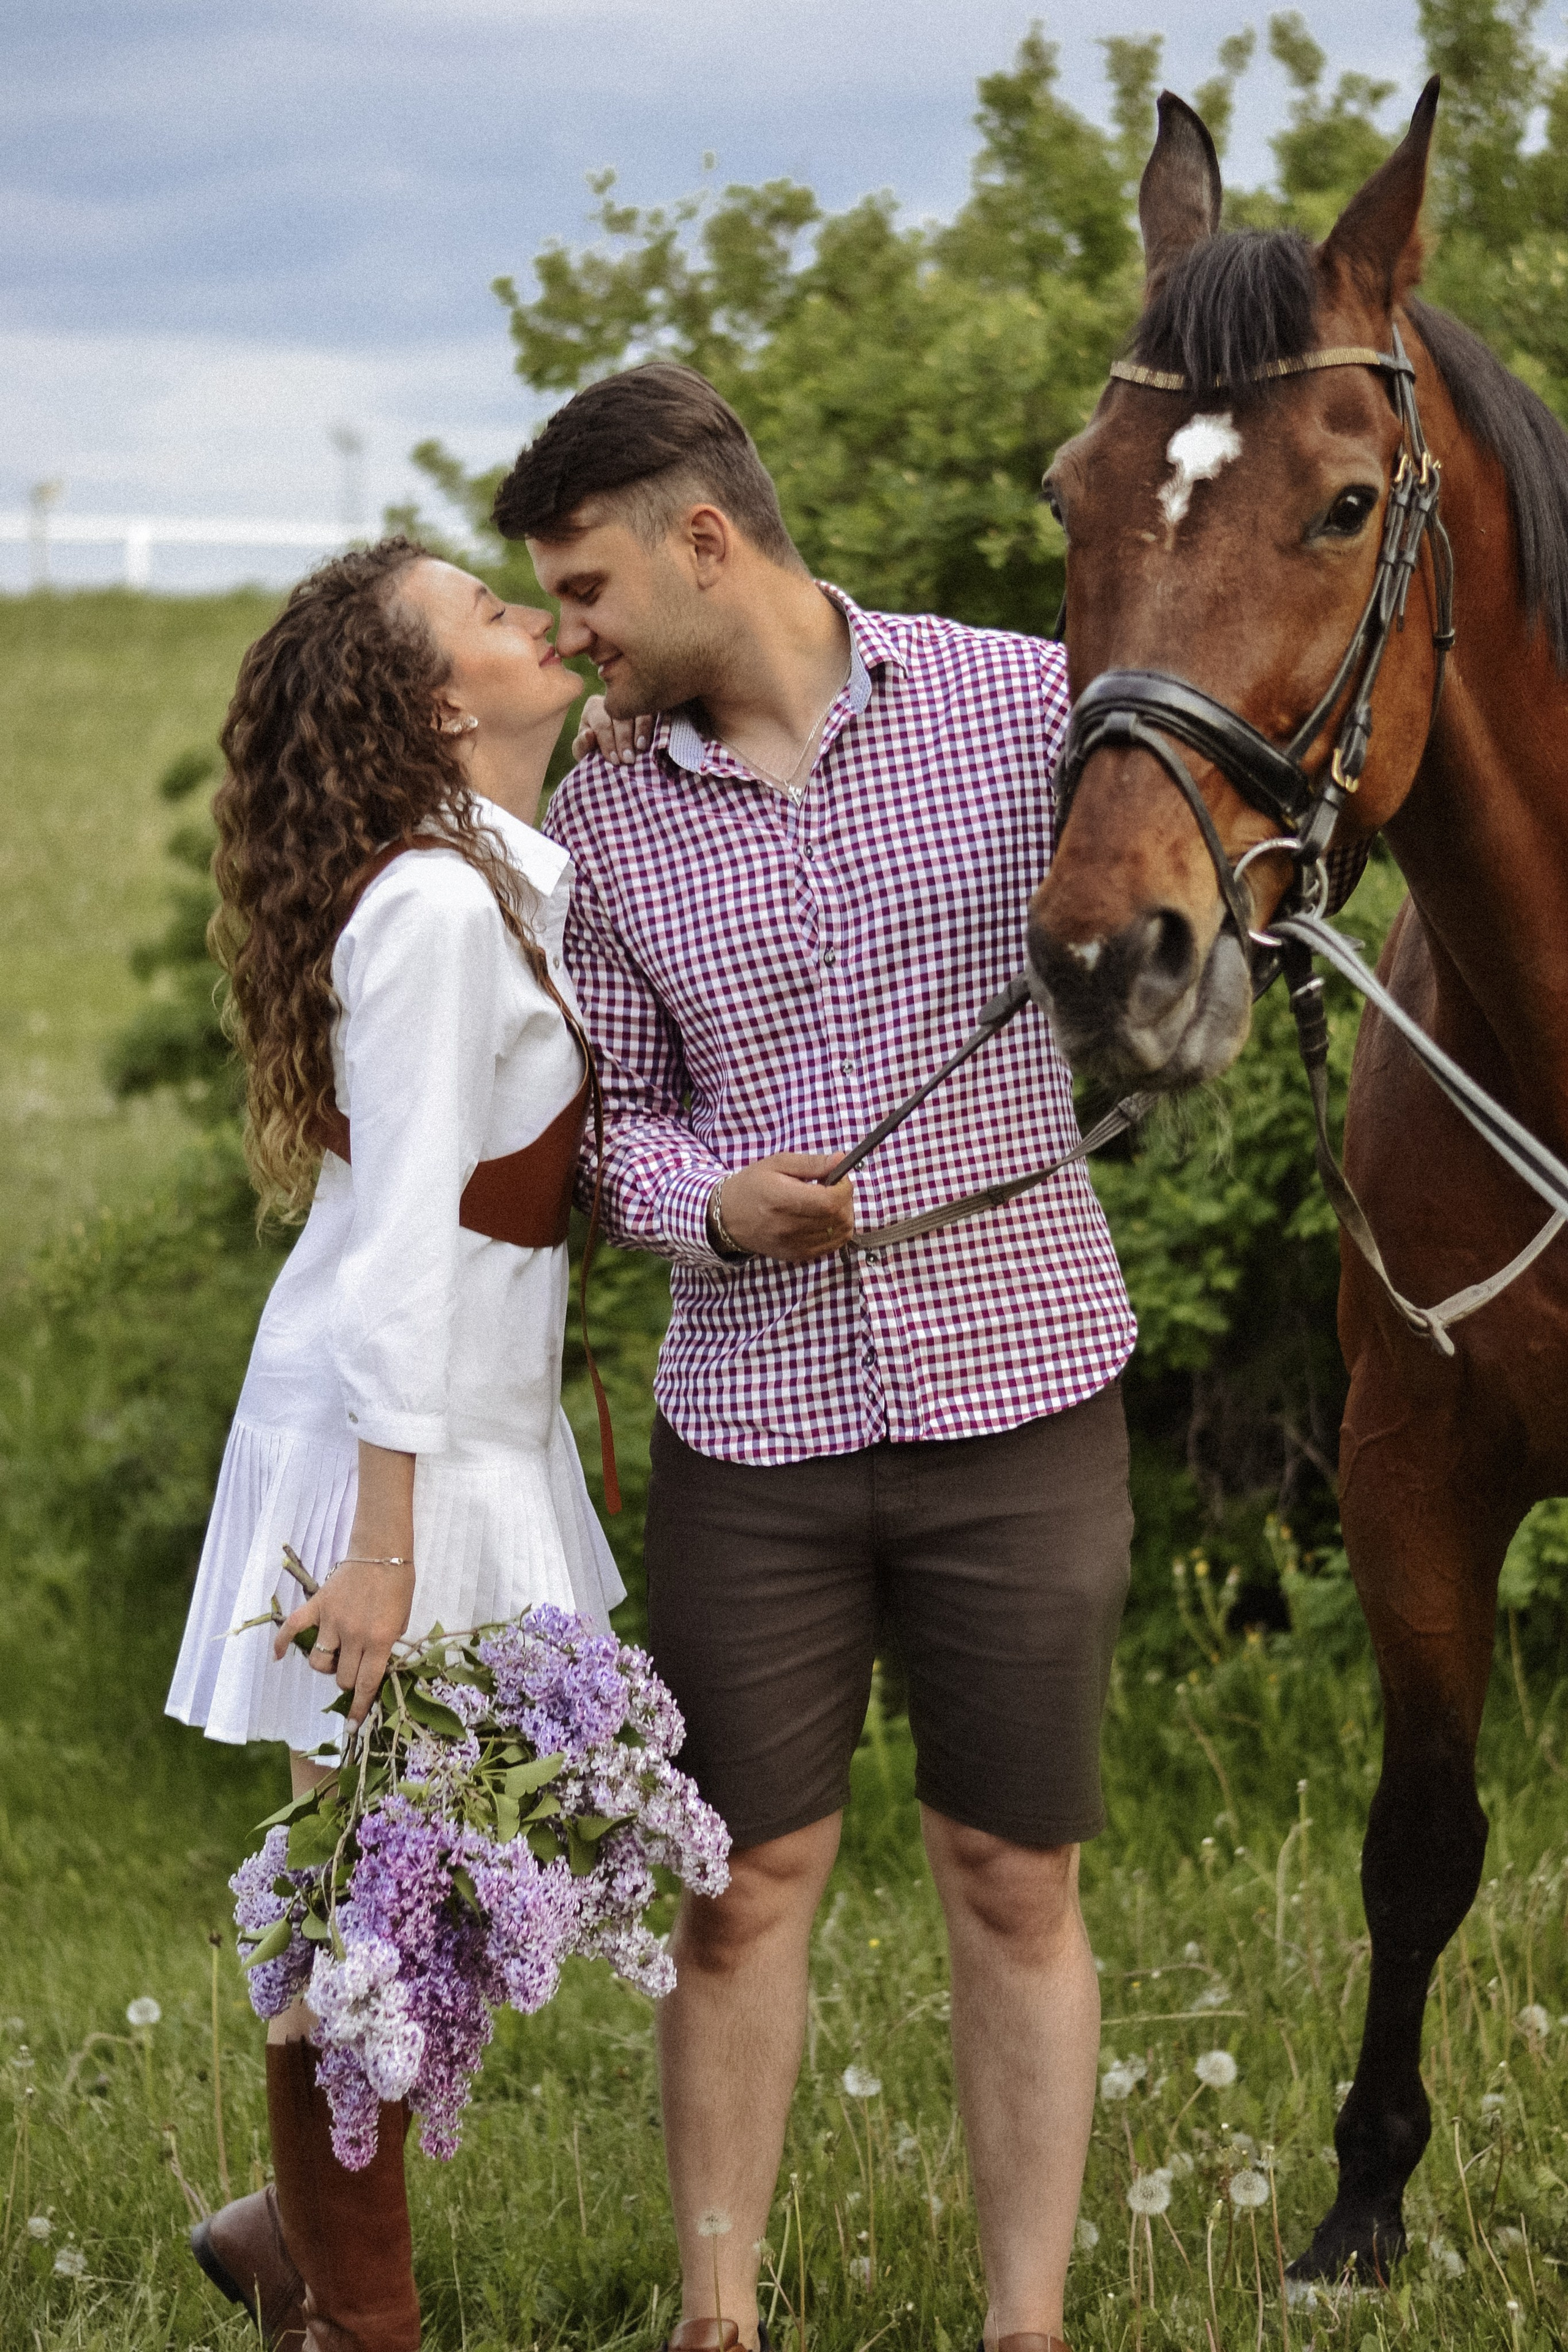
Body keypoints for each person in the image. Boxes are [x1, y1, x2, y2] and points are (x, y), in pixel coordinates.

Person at [493, 363, 1137, 2352]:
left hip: (1023, 1377)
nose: (572, 631)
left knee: (1011, 1873)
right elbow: (607, 1125)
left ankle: (1024, 2328)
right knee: (742, 1881)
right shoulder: (607, 811)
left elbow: (1186, 886)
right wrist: (715, 1205)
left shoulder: (1027, 704)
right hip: (753, 1427)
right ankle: (720, 2321)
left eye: (588, 585)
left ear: (706, 540)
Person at [165, 537, 622, 2351]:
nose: (533, 622)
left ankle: (293, 2235)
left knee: (445, 1877)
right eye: (493, 614)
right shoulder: (435, 911)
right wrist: (379, 1541)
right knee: (368, 1890)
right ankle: (362, 2315)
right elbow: (410, 1243)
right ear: (443, 701)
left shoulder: (499, 876)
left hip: (469, 1433)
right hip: (384, 1446)